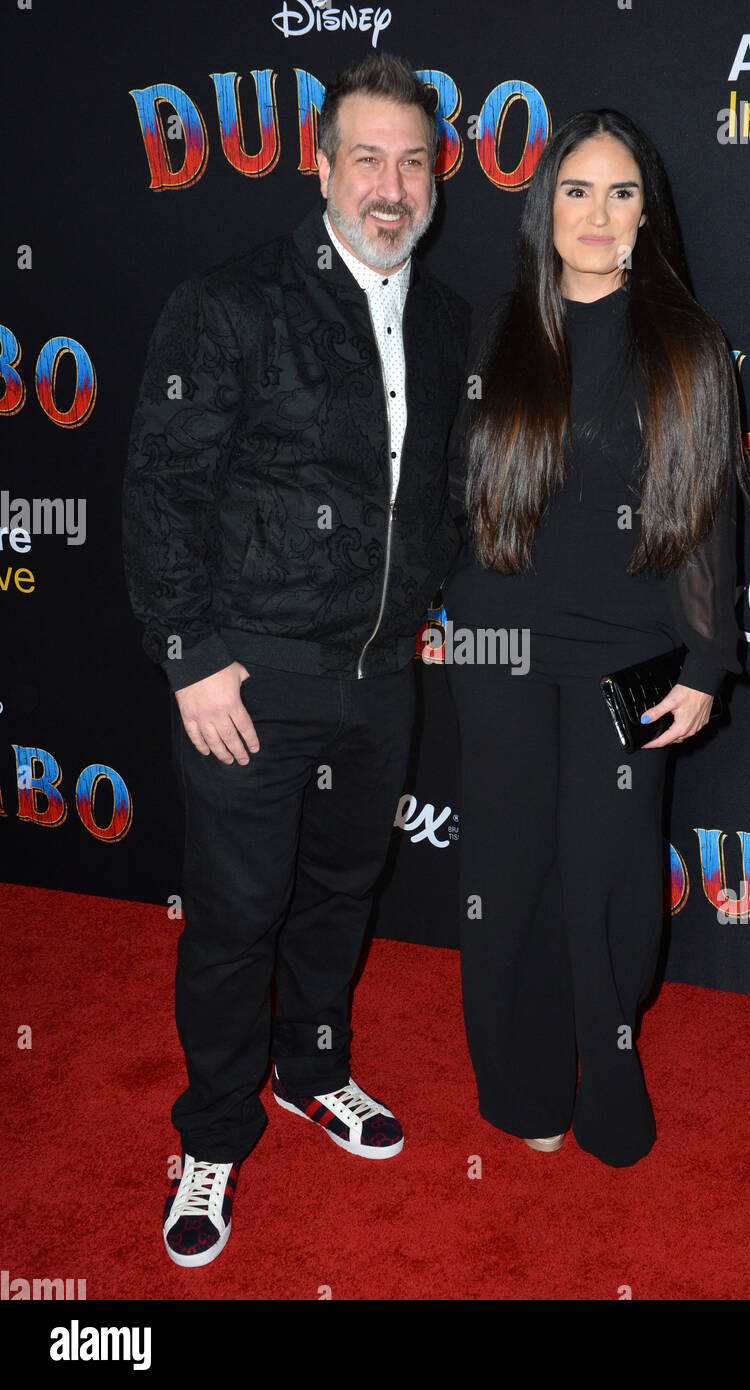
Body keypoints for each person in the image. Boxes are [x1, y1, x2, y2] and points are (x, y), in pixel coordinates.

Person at [122, 52, 469, 1266]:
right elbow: (162, 488)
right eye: (366, 157)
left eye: (413, 161)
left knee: (338, 891)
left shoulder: (446, 316)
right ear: (320, 167)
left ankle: (312, 1067)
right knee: (232, 916)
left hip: (379, 677)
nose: (391, 183)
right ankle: (212, 1131)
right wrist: (193, 657)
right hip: (248, 681)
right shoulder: (231, 300)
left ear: (439, 177)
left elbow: (437, 495)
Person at [442, 109, 750, 1167]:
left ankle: (610, 1077)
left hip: (629, 652)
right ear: (545, 207)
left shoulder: (689, 343)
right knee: (509, 868)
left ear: (645, 212)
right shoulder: (495, 327)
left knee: (610, 878)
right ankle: (525, 1084)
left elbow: (708, 513)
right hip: (499, 644)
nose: (597, 212)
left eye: (620, 191)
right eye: (575, 189)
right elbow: (453, 492)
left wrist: (707, 662)